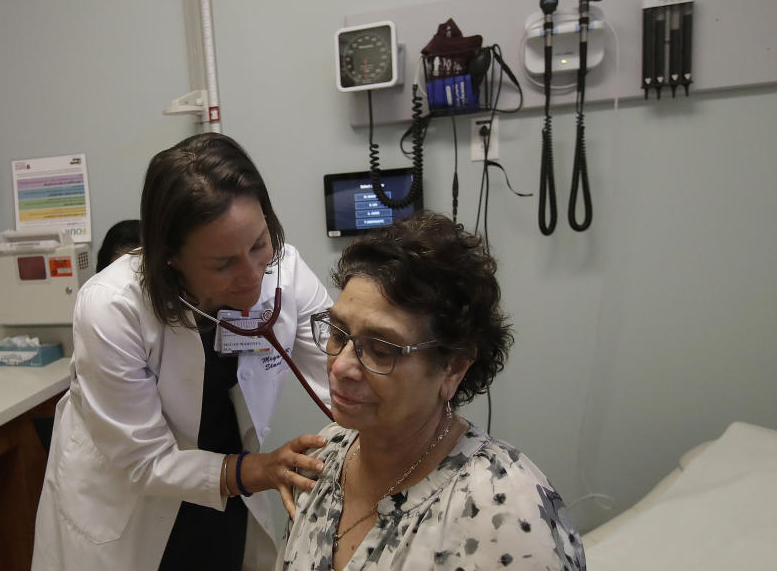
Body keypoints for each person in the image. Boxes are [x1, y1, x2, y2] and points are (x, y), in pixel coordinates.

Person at [32, 133, 332, 571]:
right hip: (128, 507)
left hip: (229, 491)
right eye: (223, 264)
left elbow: (343, 369)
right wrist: (262, 470)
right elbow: (144, 461)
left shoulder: (286, 273)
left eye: (259, 244)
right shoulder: (112, 307)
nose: (252, 276)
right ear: (170, 256)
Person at [278, 212, 586, 570]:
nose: (341, 366)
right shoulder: (325, 456)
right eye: (338, 334)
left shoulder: (502, 514)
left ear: (452, 367)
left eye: (380, 349)